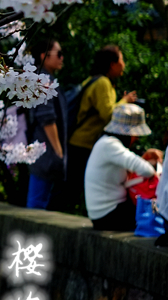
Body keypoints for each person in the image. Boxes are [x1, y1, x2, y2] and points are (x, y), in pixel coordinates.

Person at [56, 45, 137, 213]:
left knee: (68, 190)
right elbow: (108, 115)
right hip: (83, 145)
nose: (124, 65)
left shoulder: (93, 79)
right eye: (121, 60)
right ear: (112, 64)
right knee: (71, 190)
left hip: (78, 142)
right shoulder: (102, 83)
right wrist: (125, 102)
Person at [84, 103, 162, 231]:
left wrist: (144, 157)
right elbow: (147, 171)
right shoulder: (110, 145)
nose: (136, 138)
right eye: (135, 134)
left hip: (105, 214)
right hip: (109, 215)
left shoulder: (105, 143)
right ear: (128, 133)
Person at [26, 39, 67, 210]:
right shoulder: (43, 81)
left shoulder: (44, 79)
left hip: (43, 153)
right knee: (38, 203)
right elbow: (47, 118)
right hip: (46, 155)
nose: (62, 58)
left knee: (40, 201)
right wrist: (58, 152)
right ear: (44, 56)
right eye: (58, 54)